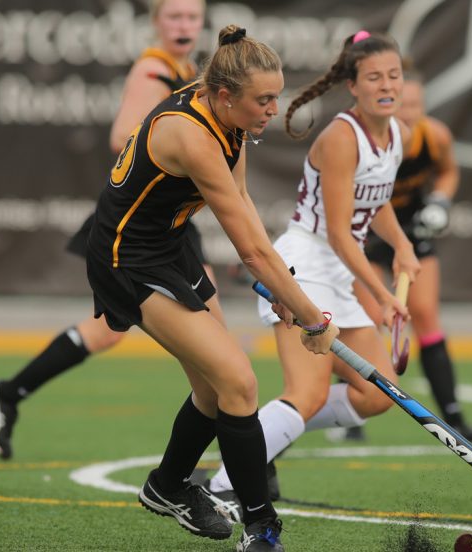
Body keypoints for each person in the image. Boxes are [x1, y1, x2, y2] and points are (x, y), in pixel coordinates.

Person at [85, 25, 339, 552]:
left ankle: (166, 487)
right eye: (263, 100)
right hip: (125, 258)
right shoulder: (192, 134)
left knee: (212, 386)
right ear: (226, 96)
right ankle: (262, 529)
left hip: (170, 245)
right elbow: (249, 249)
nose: (274, 108)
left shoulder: (232, 120)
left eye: (277, 96)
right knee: (238, 383)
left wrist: (283, 287)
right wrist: (313, 318)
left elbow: (242, 202)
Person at [0, 0, 207, 461]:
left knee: (110, 332)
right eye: (174, 17)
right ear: (156, 22)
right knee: (209, 351)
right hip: (142, 224)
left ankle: (8, 393)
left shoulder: (188, 68)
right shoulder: (153, 72)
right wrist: (179, 154)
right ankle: (224, 464)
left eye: (192, 17)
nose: (183, 25)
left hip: (166, 221)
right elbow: (123, 136)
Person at [204, 30, 421, 507]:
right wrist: (383, 295)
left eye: (394, 75)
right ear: (353, 86)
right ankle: (224, 485)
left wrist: (403, 246)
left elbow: (376, 200)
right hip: (304, 269)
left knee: (376, 395)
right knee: (307, 393)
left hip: (339, 274)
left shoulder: (397, 135)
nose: (387, 85)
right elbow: (341, 234)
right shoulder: (343, 138)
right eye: (374, 77)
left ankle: (259, 431)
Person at [354, 75, 472, 442]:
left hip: (412, 229)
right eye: (402, 107)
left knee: (426, 316)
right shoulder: (368, 141)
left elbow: (448, 171)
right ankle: (353, 414)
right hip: (366, 232)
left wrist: (440, 201)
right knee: (367, 321)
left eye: (416, 106)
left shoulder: (435, 136)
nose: (409, 115)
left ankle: (454, 418)